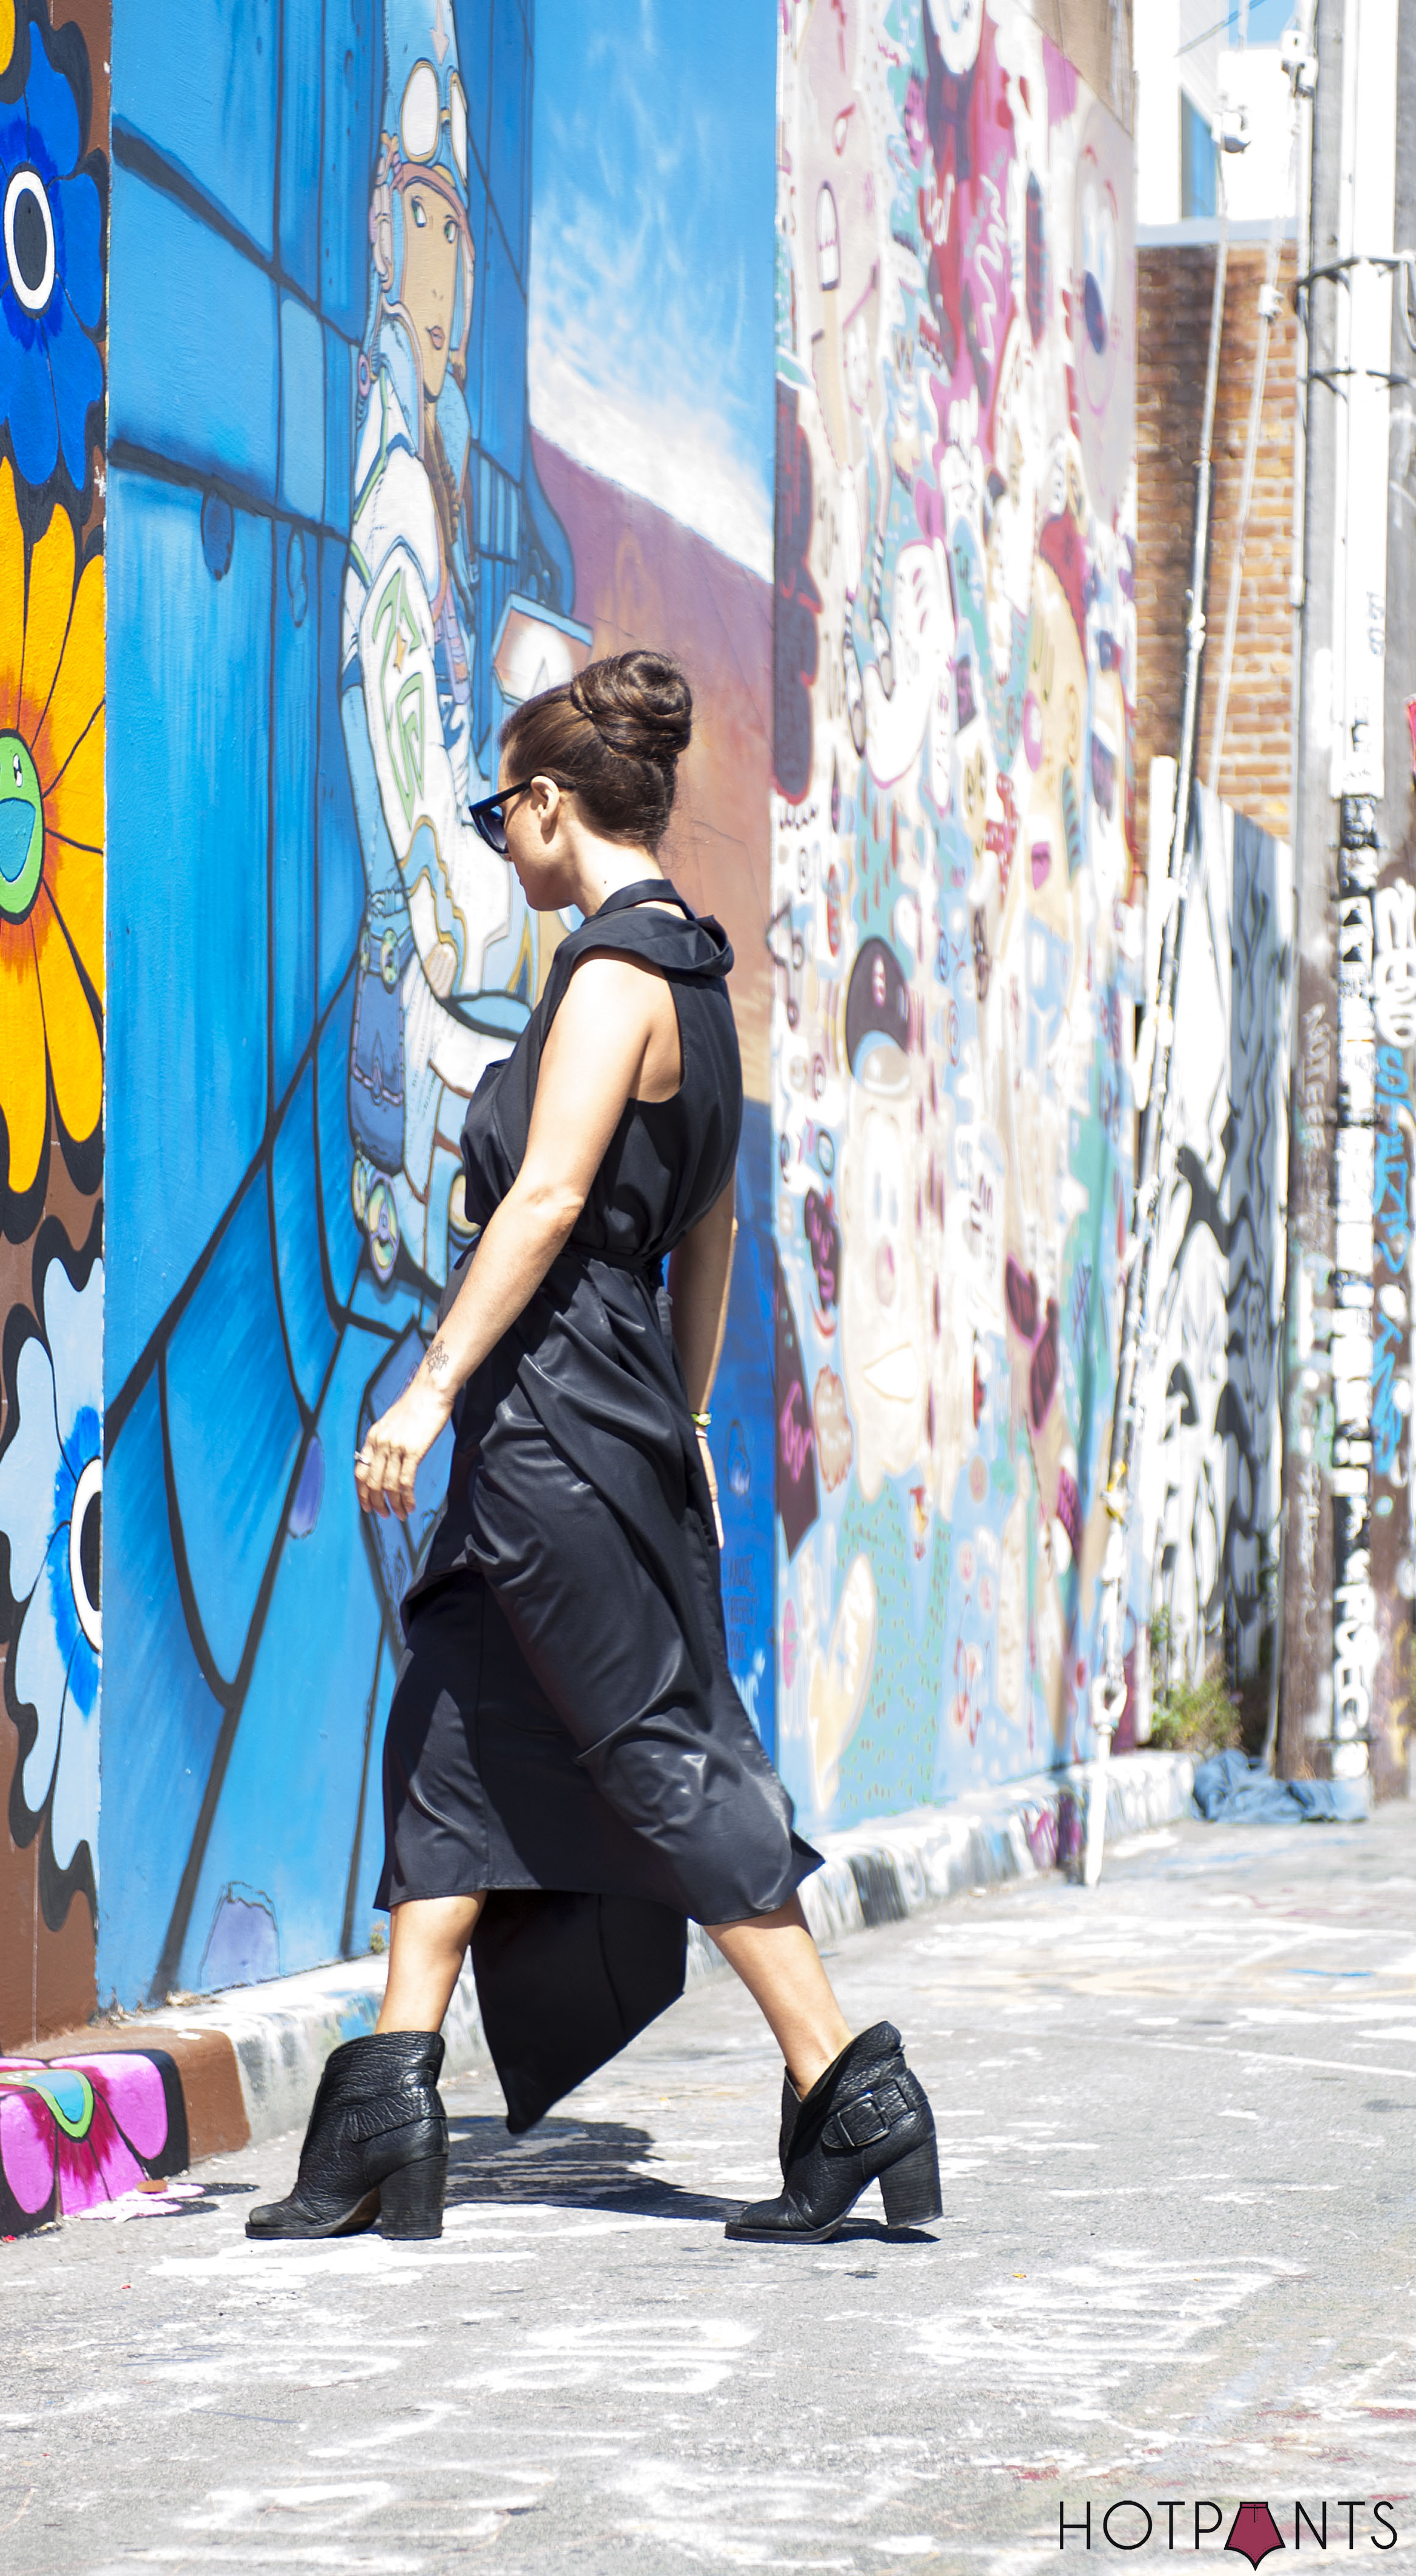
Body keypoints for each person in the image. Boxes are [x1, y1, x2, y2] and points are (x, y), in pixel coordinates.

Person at [246, 653, 942, 2249]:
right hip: (595, 1406)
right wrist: (683, 1413)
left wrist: (424, 1393)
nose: (502, 844)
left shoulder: (613, 977)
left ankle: (849, 2079)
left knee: (652, 1749)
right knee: (448, 1732)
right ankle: (389, 2106)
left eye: (503, 816)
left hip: (550, 1408)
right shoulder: (696, 982)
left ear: (553, 805)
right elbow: (712, 1231)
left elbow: (548, 1201)